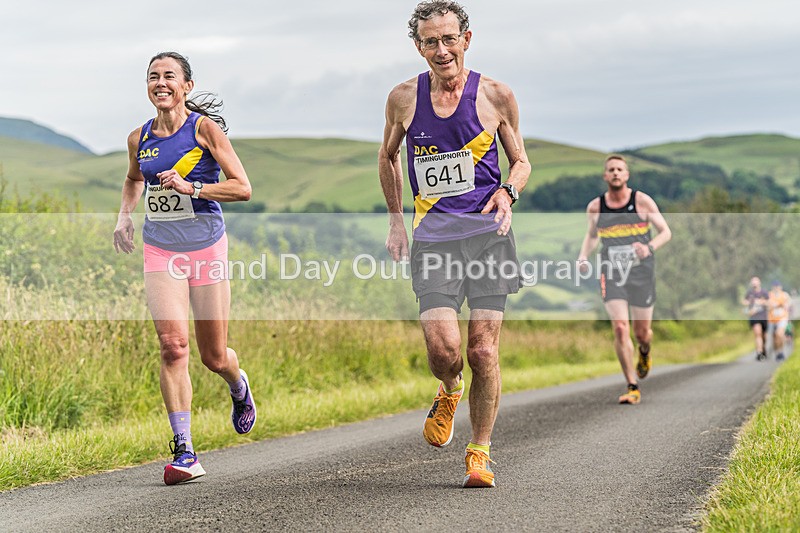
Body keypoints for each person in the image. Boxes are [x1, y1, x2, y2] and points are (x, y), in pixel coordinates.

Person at [379, 0, 531, 488]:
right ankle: (449, 388)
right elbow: (387, 158)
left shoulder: (497, 94)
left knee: (484, 350)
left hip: (489, 238)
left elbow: (521, 162)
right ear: (418, 45)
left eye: (449, 38)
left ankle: (479, 451)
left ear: (467, 38)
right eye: (430, 41)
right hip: (435, 239)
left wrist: (508, 192)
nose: (441, 50)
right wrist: (396, 221)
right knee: (445, 350)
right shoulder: (403, 98)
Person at [113, 52, 256, 485]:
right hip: (161, 250)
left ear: (187, 86)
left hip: (206, 247)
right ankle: (185, 450)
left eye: (168, 76)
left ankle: (238, 383)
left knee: (213, 355)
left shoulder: (203, 129)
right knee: (173, 346)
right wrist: (124, 216)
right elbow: (135, 178)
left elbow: (243, 188)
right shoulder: (139, 137)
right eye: (152, 77)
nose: (160, 83)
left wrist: (192, 185)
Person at [577, 155, 672, 405]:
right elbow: (592, 235)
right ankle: (632, 385)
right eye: (611, 170)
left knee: (642, 333)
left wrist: (648, 247)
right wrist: (583, 256)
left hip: (641, 272)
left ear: (627, 175)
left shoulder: (641, 201)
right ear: (605, 176)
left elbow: (666, 232)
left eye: (620, 169)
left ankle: (645, 351)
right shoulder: (596, 207)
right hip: (612, 271)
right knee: (620, 327)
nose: (616, 173)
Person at [741, 276, 768, 361]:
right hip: (754, 317)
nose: (754, 283)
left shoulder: (764, 292)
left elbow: (769, 302)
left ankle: (763, 350)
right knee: (758, 334)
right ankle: (759, 352)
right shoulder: (749, 293)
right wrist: (749, 303)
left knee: (764, 336)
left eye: (755, 282)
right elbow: (744, 301)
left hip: (763, 316)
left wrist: (761, 302)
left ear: (759, 282)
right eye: (753, 282)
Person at [767, 280, 791, 361]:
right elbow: (768, 305)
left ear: (780, 287)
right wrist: (778, 304)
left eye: (778, 286)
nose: (776, 288)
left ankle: (781, 352)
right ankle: (777, 352)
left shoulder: (784, 295)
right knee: (774, 338)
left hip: (782, 318)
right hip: (772, 319)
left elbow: (786, 305)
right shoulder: (769, 295)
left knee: (779, 334)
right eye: (775, 286)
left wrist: (778, 305)